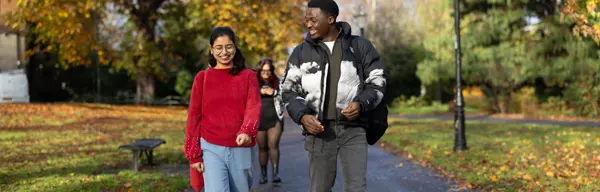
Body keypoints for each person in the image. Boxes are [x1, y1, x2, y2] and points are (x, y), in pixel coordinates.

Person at [280, 0, 386, 192]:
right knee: (319, 188)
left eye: (313, 19)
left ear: (330, 19)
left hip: (353, 131)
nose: (308, 24)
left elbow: (377, 81)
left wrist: (361, 104)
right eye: (306, 20)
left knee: (356, 188)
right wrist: (303, 116)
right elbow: (288, 89)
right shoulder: (301, 52)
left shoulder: (359, 46)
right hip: (318, 132)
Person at [184, 26, 262, 192]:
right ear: (211, 50)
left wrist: (246, 131)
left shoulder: (248, 76)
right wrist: (194, 155)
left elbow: (253, 106)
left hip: (241, 147)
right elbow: (193, 117)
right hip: (210, 146)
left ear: (235, 47)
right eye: (219, 47)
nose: (224, 52)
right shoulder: (202, 78)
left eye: (229, 46)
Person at [255, 58, 285, 184]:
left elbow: (285, 95)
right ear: (259, 71)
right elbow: (245, 95)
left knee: (273, 146)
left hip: (275, 118)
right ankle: (263, 175)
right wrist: (260, 91)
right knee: (262, 148)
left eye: (269, 71)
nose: (266, 74)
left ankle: (275, 174)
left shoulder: (277, 82)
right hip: (258, 120)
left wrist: (274, 92)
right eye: (263, 71)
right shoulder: (253, 82)